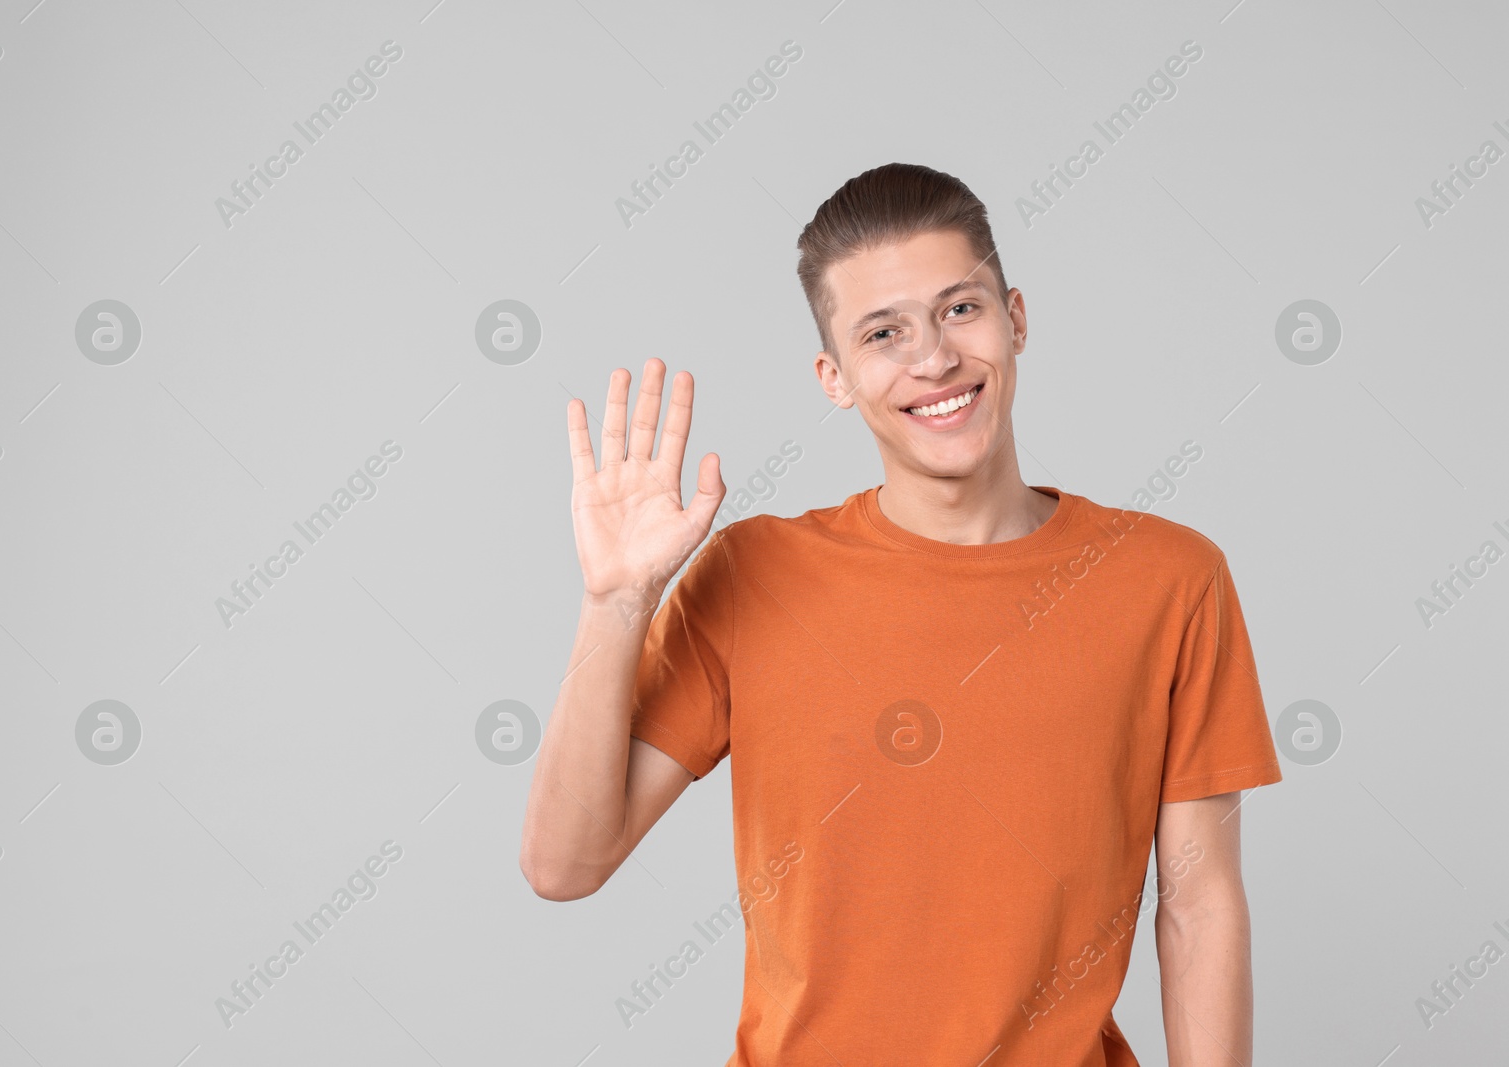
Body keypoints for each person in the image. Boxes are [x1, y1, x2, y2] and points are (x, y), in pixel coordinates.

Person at [520, 162, 1282, 1066]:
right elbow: (565, 864)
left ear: (1017, 319)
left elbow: (1198, 903)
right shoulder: (754, 574)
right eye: (884, 333)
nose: (933, 358)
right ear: (835, 376)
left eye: (961, 308)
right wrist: (614, 604)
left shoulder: (1169, 579)